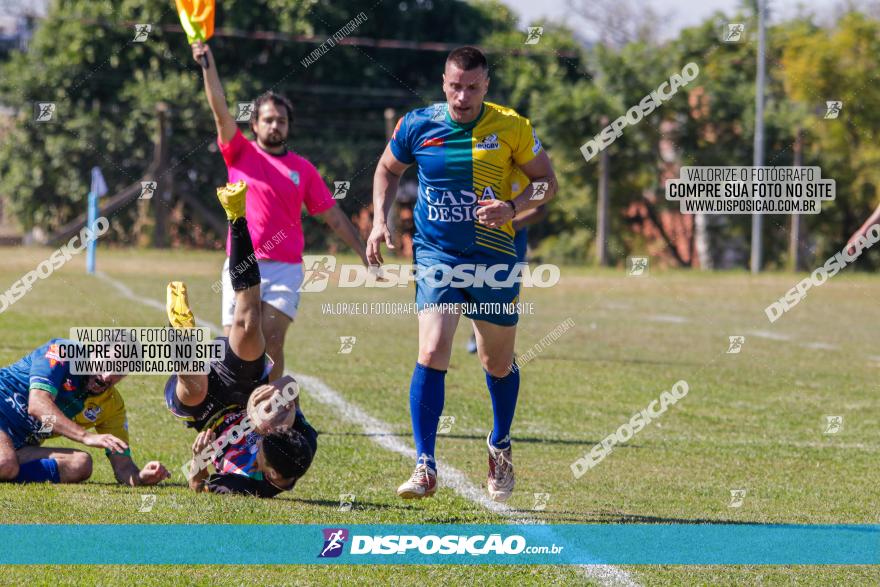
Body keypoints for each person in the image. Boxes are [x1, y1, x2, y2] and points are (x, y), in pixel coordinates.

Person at [367, 46, 558, 502]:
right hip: (436, 254)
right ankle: (425, 464)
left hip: (494, 256)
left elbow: (548, 182)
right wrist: (379, 219)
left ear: (486, 86)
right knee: (433, 349)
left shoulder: (511, 126)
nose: (462, 96)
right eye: (455, 86)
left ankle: (500, 443)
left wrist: (512, 206)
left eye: (472, 87)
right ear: (443, 82)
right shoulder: (417, 124)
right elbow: (386, 170)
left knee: (496, 362)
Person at [191, 41, 367, 381]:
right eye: (268, 120)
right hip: (243, 263)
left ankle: (269, 416)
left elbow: (333, 216)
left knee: (271, 342)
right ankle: (237, 416)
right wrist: (207, 65)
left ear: (289, 126)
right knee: (236, 345)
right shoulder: (240, 153)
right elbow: (219, 109)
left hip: (285, 269)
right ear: (254, 124)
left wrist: (362, 252)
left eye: (281, 121)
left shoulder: (304, 169)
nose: (275, 126)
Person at [166, 180, 317, 497]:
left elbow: (197, 486)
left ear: (268, 472)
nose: (260, 437)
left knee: (194, 388)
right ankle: (237, 217)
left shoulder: (243, 485)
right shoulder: (302, 444)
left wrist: (199, 462)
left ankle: (183, 336)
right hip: (244, 384)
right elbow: (291, 385)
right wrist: (283, 391)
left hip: (209, 413)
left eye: (262, 443)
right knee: (249, 324)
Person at [0, 342, 169, 485]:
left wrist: (140, 477)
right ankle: (7, 466)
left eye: (119, 372)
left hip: (19, 445)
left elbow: (123, 466)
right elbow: (37, 404)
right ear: (94, 351)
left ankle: (9, 471)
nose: (107, 376)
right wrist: (86, 436)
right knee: (6, 462)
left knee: (80, 464)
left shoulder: (111, 405)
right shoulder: (61, 352)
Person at [466, 169, 547, 353]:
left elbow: (541, 209)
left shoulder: (531, 164)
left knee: (509, 288)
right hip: (486, 232)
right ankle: (476, 336)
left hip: (514, 235)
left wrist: (512, 222)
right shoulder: (489, 159)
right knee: (480, 284)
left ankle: (504, 345)